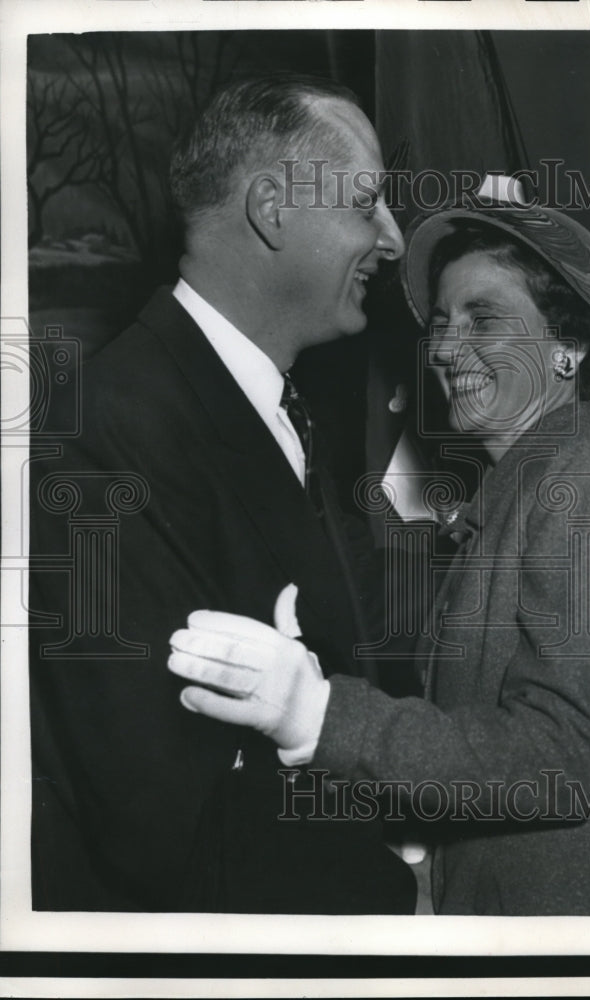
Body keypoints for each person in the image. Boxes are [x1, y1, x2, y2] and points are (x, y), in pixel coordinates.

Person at [167, 178, 590, 916]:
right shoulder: (517, 495)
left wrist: (322, 715)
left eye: (482, 319)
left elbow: (557, 759)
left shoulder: (587, 484)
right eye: (440, 323)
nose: (445, 348)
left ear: (566, 349)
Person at [28, 73, 417, 913]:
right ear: (272, 209)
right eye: (365, 205)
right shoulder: (104, 436)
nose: (392, 239)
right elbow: (157, 823)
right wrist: (402, 895)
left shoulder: (284, 410)